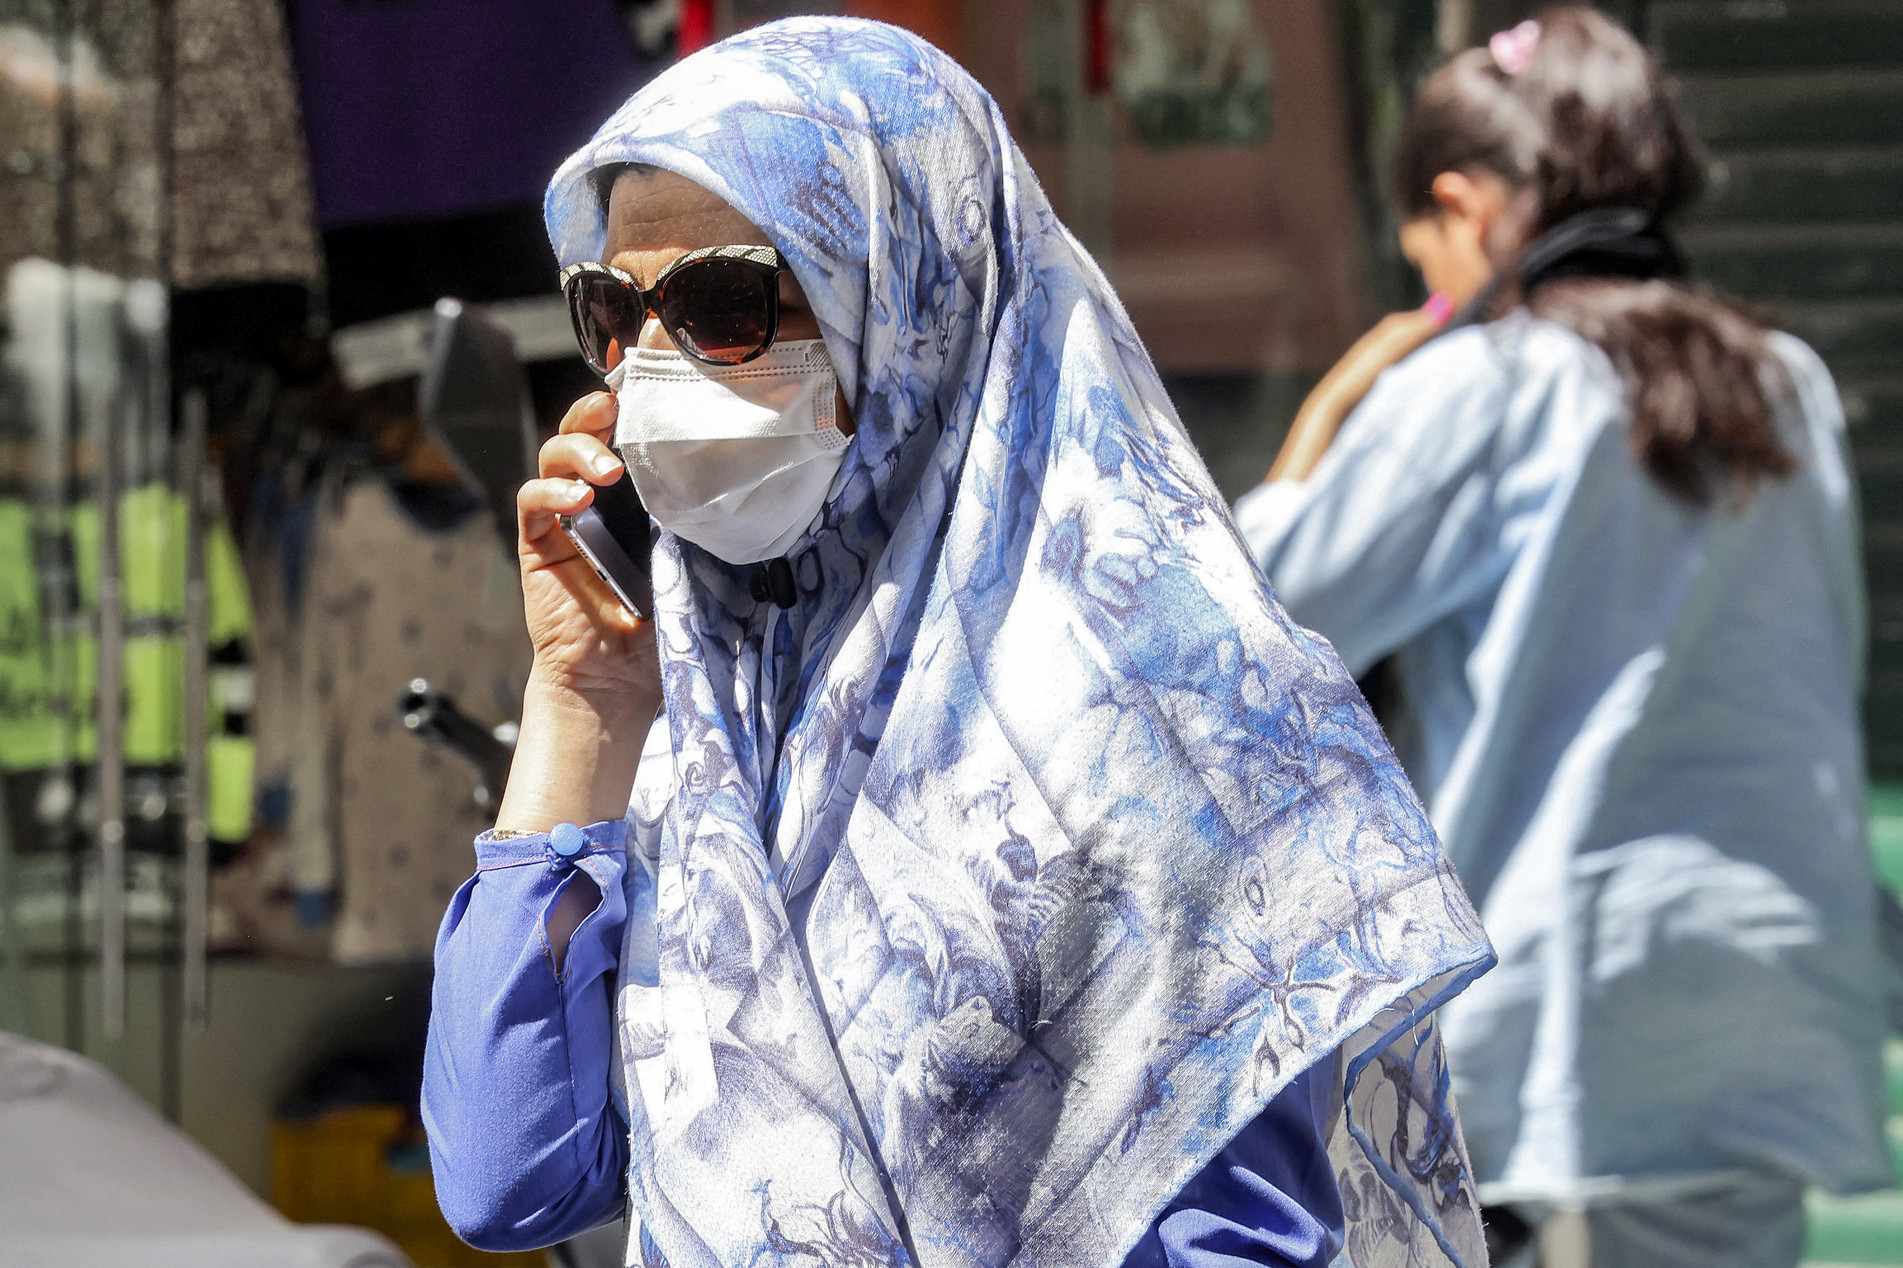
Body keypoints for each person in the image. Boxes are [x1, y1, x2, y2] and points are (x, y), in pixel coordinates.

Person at [422, 18, 1496, 1268]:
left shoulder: (1176, 720)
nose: (649, 364)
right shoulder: (714, 725)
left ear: (909, 297)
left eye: (722, 301)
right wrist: (580, 705)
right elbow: (509, 1175)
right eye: (612, 311)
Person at [1235, 10, 1886, 1268]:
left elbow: (1262, 617)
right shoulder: (1788, 382)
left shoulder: (1483, 387)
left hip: (1555, 1002)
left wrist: (1324, 421)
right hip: (1764, 981)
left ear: (1463, 209)